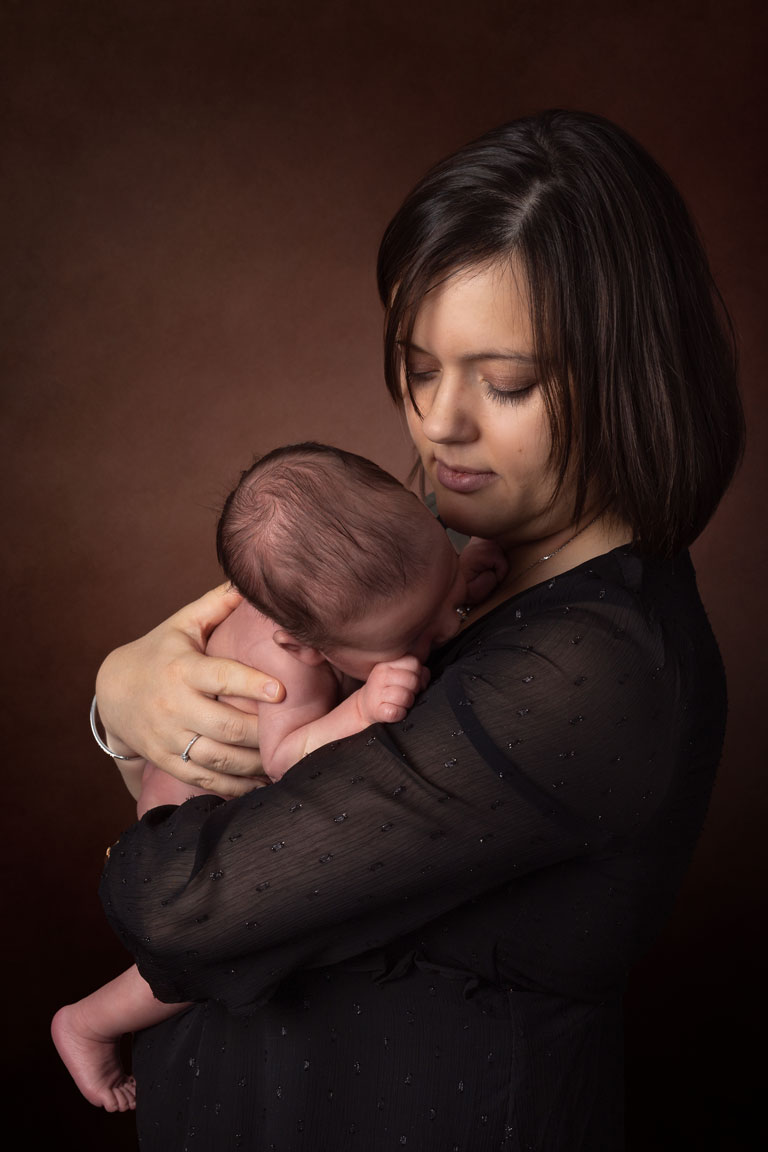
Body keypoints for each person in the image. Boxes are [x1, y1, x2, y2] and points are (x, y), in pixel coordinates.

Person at [93, 110, 744, 1150]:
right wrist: (121, 707)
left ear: (628, 374)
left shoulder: (592, 668)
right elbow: (252, 787)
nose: (440, 421)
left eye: (507, 382)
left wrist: (138, 742)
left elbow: (181, 899)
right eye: (419, 365)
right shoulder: (437, 553)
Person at [54, 441, 507, 1112]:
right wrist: (356, 709)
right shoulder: (286, 663)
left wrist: (458, 572)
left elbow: (417, 589)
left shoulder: (372, 580)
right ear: (305, 645)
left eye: (446, 594)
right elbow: (283, 757)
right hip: (192, 811)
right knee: (218, 937)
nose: (446, 624)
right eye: (414, 635)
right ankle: (91, 1021)